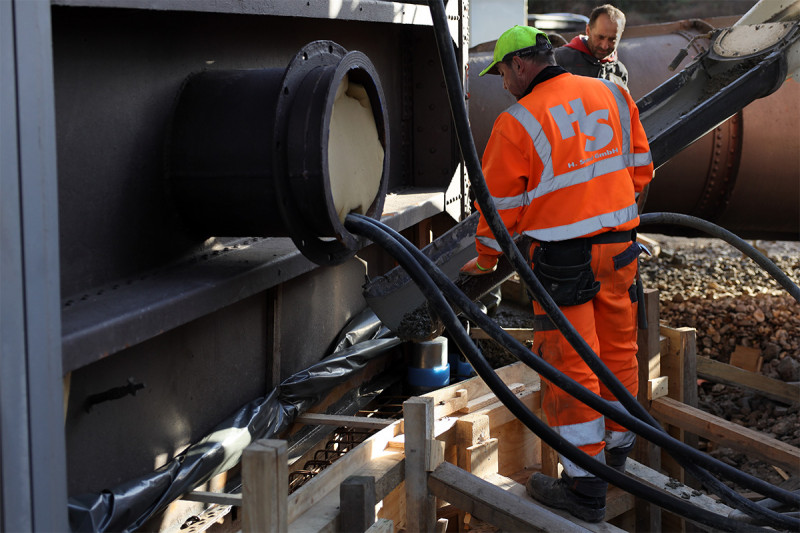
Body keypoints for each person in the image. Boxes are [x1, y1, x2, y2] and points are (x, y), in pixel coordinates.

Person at [459, 25, 653, 522]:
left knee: (571, 367)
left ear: (521, 64)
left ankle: (584, 489)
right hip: (619, 249)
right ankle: (616, 453)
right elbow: (640, 170)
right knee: (617, 351)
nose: (502, 82)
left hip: (564, 261)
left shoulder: (517, 121)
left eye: (502, 71)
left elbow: (499, 211)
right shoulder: (613, 92)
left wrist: (484, 261)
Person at [554, 4, 628, 88]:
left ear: (620, 36)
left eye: (612, 39)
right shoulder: (560, 59)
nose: (604, 46)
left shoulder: (620, 72)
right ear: (588, 30)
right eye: (600, 37)